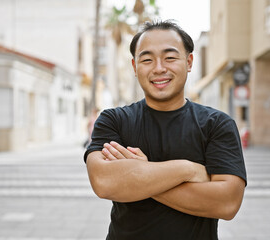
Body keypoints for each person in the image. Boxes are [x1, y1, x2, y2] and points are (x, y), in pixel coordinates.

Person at [84, 20, 247, 240]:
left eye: (170, 58)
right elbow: (104, 182)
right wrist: (188, 170)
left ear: (189, 62)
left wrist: (139, 175)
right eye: (147, 59)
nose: (159, 68)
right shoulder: (114, 120)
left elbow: (227, 203)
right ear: (134, 67)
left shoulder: (216, 124)